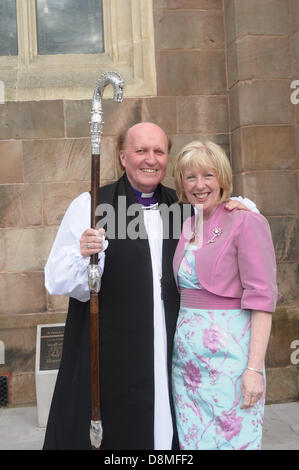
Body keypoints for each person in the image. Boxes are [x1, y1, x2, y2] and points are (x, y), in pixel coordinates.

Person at [43, 123, 258, 450]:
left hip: (173, 353)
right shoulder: (93, 205)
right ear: (122, 156)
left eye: (158, 151)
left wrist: (240, 209)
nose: (150, 159)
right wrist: (84, 254)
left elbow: (226, 232)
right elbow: (57, 279)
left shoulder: (183, 209)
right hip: (112, 355)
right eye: (141, 150)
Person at [171, 141, 278, 450]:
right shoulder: (188, 225)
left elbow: (263, 299)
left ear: (222, 178)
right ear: (182, 184)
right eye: (190, 177)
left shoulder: (245, 220)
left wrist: (253, 369)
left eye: (208, 175)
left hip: (230, 363)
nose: (199, 184)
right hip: (187, 366)